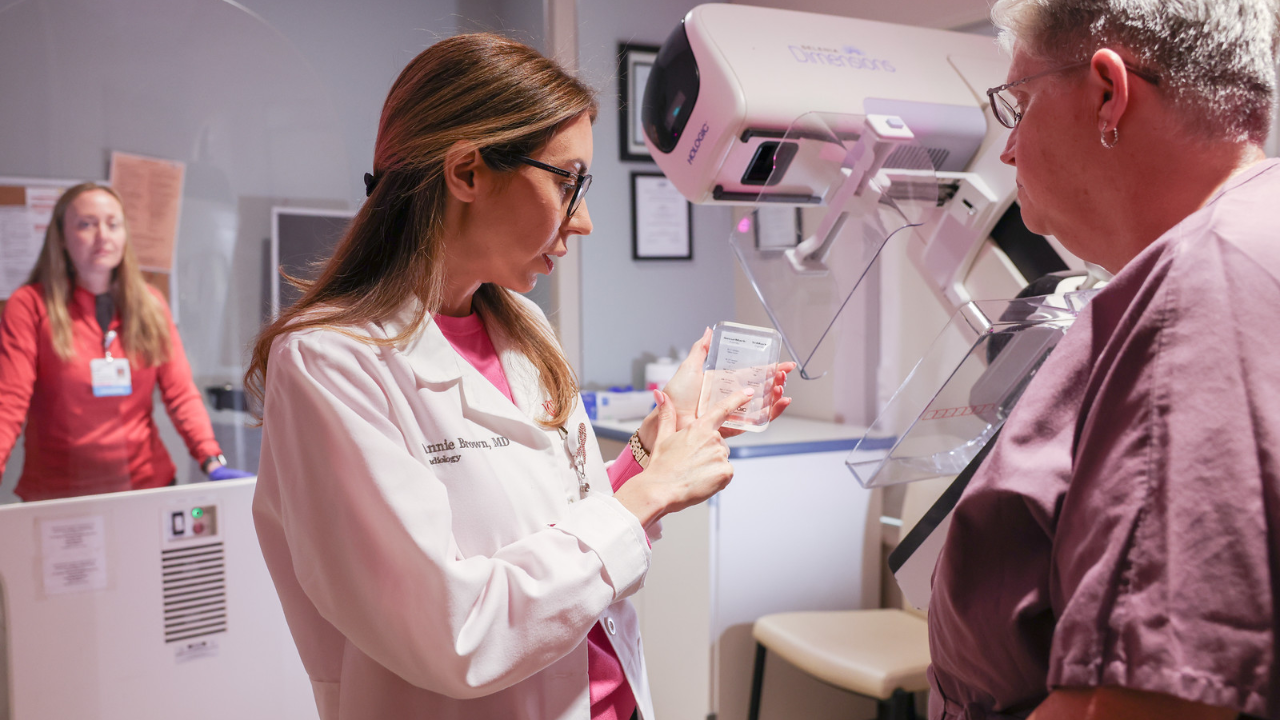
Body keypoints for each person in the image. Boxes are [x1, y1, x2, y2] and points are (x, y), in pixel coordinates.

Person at [246, 33, 794, 720]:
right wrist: (651, 494)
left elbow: (568, 521)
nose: (585, 221)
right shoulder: (333, 363)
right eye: (568, 182)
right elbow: (456, 635)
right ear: (467, 172)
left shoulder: (526, 329)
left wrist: (658, 446)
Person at [925, 1, 1280, 719]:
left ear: (1107, 94)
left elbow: (1144, 697)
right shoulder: (1254, 232)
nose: (1008, 149)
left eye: (1019, 105)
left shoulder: (1200, 287)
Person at [0, 182, 246, 502]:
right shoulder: (30, 305)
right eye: (86, 224)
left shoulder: (150, 304)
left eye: (113, 224)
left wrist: (210, 458)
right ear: (60, 237)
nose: (103, 235)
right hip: (59, 495)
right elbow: (9, 400)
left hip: (145, 486)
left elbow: (181, 393)